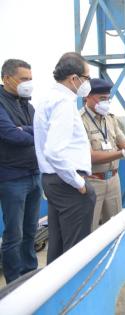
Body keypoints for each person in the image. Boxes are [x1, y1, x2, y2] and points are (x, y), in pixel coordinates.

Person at [33, 52, 96, 264]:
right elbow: (54, 151)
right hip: (67, 182)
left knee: (58, 247)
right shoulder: (63, 103)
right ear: (73, 79)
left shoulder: (48, 99)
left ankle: (57, 295)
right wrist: (78, 182)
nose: (87, 83)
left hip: (54, 180)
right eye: (86, 78)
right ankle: (75, 296)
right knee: (75, 254)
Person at [80, 78, 125, 230]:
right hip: (92, 181)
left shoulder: (110, 119)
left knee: (114, 228)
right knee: (89, 229)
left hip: (113, 180)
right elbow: (90, 156)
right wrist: (122, 153)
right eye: (102, 98)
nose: (105, 102)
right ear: (87, 97)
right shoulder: (80, 121)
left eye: (108, 99)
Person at [0, 59, 41, 283]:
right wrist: (28, 132)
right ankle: (14, 283)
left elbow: (41, 132)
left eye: (30, 79)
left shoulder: (28, 104)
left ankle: (30, 275)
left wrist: (25, 129)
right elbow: (11, 135)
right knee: (14, 235)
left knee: (31, 231)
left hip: (34, 175)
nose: (29, 84)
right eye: (24, 79)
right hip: (12, 179)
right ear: (7, 78)